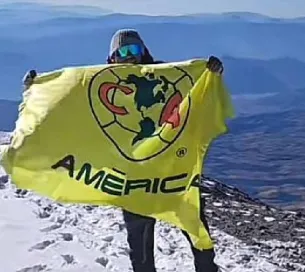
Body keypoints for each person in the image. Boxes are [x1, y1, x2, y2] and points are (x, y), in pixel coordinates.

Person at [22, 28, 224, 272]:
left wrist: (211, 72)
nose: (130, 56)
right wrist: (37, 90)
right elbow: (67, 110)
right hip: (134, 182)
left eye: (135, 50)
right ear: (112, 58)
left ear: (144, 52)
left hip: (172, 176)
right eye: (123, 51)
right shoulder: (97, 88)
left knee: (197, 234)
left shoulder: (165, 78)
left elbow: (194, 92)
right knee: (140, 253)